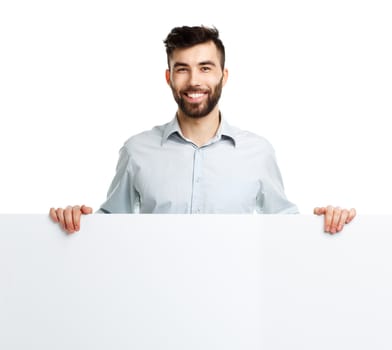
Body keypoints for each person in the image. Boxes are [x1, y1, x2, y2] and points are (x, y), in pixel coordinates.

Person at [50, 25, 356, 234]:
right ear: (169, 77)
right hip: (154, 304)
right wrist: (77, 220)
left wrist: (325, 223)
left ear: (224, 76)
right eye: (182, 69)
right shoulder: (136, 150)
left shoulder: (258, 152)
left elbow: (285, 229)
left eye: (205, 68)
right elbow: (109, 229)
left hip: (233, 303)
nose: (194, 80)